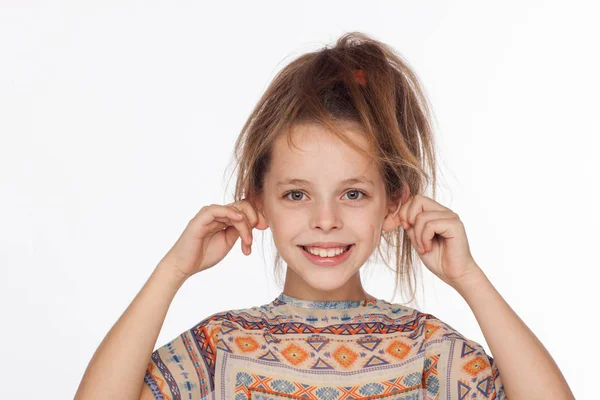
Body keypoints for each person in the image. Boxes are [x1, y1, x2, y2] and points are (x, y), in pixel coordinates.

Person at [74, 32, 574, 400]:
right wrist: (171, 271)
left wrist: (469, 278)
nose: (326, 219)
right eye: (296, 195)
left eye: (354, 193)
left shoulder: (430, 354)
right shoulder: (220, 350)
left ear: (394, 203)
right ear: (259, 200)